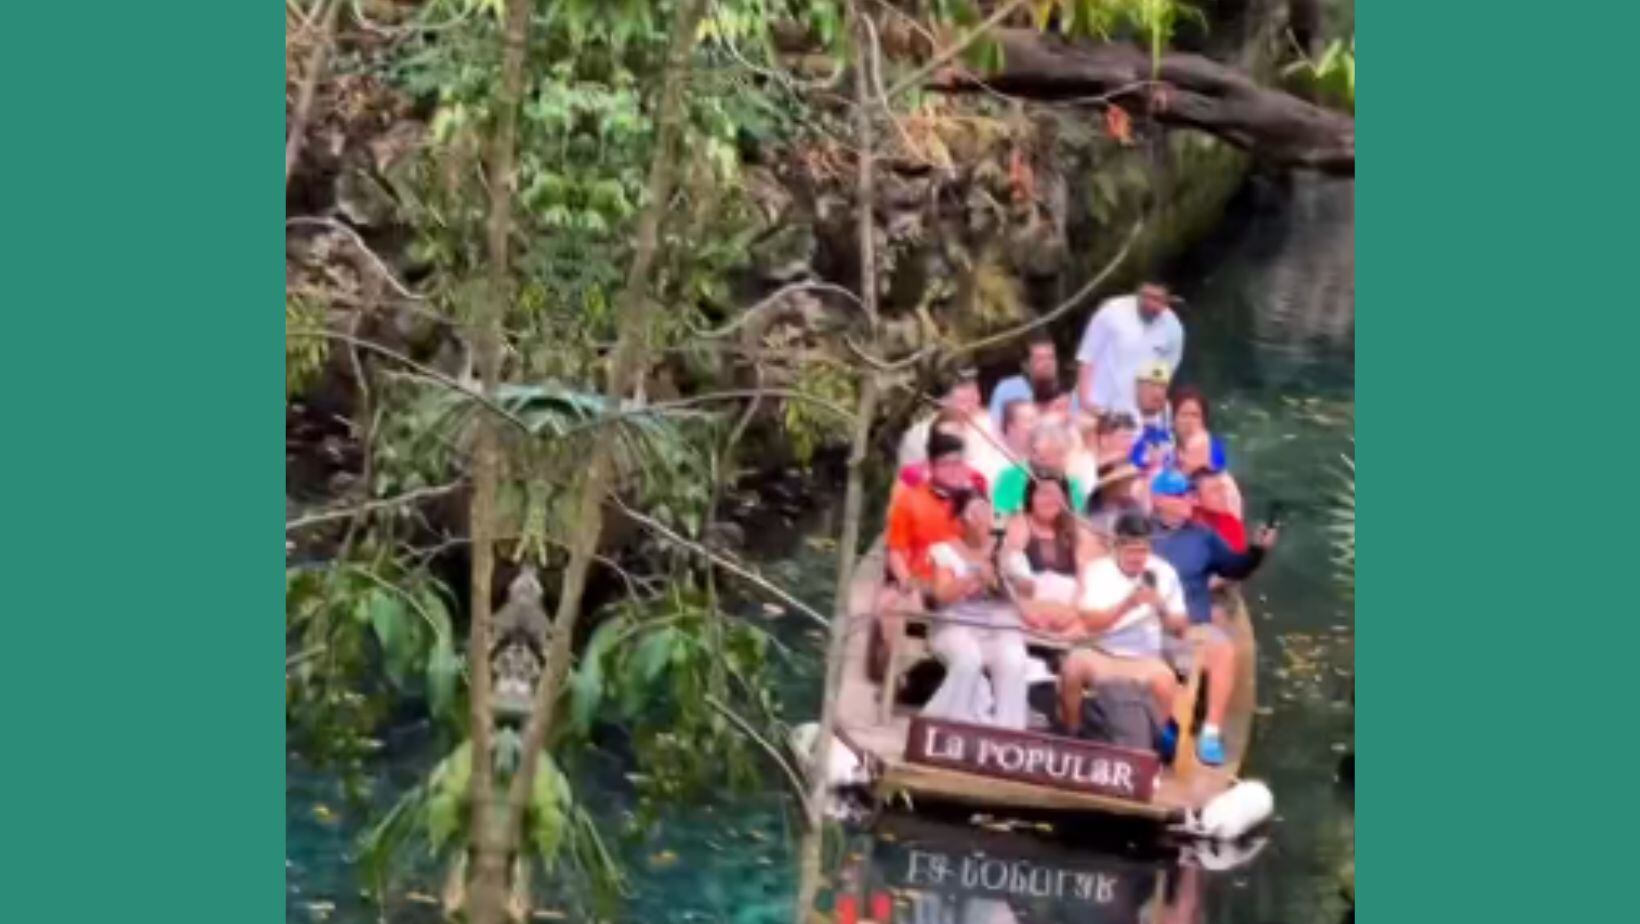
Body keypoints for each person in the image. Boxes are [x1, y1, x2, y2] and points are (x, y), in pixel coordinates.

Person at [1147, 469, 1277, 766]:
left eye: (1190, 494)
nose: (1189, 500)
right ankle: (1161, 724)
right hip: (1147, 627)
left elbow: (1234, 567)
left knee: (1223, 649)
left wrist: (1257, 550)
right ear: (1158, 500)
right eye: (1180, 495)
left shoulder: (1203, 536)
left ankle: (1211, 732)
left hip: (1192, 629)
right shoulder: (1140, 533)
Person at [1056, 512, 1189, 739]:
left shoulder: (1165, 573)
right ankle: (1072, 732)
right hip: (1100, 651)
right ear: (1116, 547)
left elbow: (1180, 627)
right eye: (1131, 551)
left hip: (1144, 657)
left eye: (1142, 551)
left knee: (1166, 683)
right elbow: (1091, 623)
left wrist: (1160, 607)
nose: (1137, 558)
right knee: (1071, 669)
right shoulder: (1097, 571)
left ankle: (1153, 743)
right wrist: (1127, 605)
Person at [922, 490, 1032, 730]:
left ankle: (1008, 730)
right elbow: (942, 594)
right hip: (955, 626)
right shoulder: (945, 551)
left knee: (1014, 659)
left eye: (987, 510)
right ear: (962, 520)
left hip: (998, 629)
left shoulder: (1007, 551)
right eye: (976, 512)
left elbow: (1028, 590)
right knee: (968, 658)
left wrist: (1006, 574)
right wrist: (973, 576)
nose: (984, 518)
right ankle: (945, 723)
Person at [876, 430, 974, 678]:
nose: (954, 470)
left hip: (961, 587)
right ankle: (905, 671)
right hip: (921, 582)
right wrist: (907, 582)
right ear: (931, 466)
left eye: (958, 463)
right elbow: (896, 552)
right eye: (946, 464)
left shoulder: (973, 504)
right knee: (901, 608)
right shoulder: (909, 500)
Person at [1075, 282, 1184, 417]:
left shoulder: (1173, 327)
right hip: (1097, 404)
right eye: (1147, 297)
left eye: (1158, 299)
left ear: (1167, 301)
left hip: (1136, 413)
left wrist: (1152, 409)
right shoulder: (1111, 312)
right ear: (1138, 293)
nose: (1151, 304)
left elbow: (1165, 375)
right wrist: (1085, 402)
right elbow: (1087, 358)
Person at [999, 474, 1092, 606]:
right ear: (1031, 498)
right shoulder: (1020, 522)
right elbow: (1014, 567)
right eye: (1043, 494)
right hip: (1029, 602)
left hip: (1067, 602)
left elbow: (1083, 580)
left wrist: (1072, 606)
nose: (1049, 500)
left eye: (1055, 495)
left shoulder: (1075, 527)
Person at [898, 367, 999, 474]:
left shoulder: (990, 423)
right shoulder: (919, 436)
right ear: (941, 401)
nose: (976, 400)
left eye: (975, 391)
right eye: (964, 401)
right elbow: (911, 477)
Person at [991, 422, 1089, 517]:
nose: (1050, 464)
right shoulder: (1010, 477)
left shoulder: (1072, 482)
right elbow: (999, 517)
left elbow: (1078, 519)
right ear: (1033, 453)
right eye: (1044, 458)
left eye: (1059, 455)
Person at [897, 410, 990, 497]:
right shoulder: (914, 474)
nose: (949, 443)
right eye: (944, 438)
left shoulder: (976, 479)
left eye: (955, 437)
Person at [988, 333, 1068, 428]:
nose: (1047, 364)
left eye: (1051, 358)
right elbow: (994, 427)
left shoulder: (1066, 391)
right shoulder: (1008, 389)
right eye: (1040, 359)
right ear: (1027, 365)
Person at [1128, 360, 1176, 472]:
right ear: (1138, 387)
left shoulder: (1167, 425)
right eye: (1152, 385)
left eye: (1162, 387)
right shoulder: (1122, 424)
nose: (1157, 393)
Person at [1171, 385, 1230, 472]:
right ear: (1173, 420)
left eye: (1195, 415)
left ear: (1203, 420)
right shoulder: (1165, 447)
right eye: (1184, 415)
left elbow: (1221, 473)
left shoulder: (1215, 447)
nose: (1189, 421)